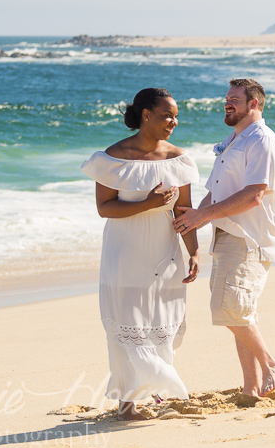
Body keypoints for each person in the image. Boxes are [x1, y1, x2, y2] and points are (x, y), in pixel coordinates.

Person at [81, 87, 200, 420]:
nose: (173, 122)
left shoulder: (179, 159)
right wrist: (148, 204)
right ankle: (129, 403)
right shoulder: (112, 158)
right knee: (128, 325)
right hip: (124, 254)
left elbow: (185, 211)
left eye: (176, 116)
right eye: (166, 115)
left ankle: (155, 393)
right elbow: (105, 208)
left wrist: (194, 252)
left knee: (160, 322)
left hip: (165, 253)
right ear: (145, 115)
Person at [173, 78, 275, 396]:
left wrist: (200, 216)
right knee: (240, 311)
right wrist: (191, 223)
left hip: (249, 238)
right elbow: (215, 192)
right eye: (226, 98)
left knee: (230, 308)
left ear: (254, 104)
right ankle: (251, 388)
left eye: (235, 98)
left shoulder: (261, 140)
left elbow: (253, 195)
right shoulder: (234, 139)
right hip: (226, 234)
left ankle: (271, 364)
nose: (227, 103)